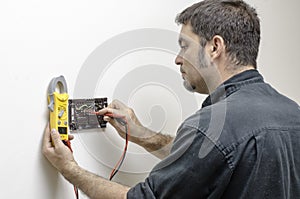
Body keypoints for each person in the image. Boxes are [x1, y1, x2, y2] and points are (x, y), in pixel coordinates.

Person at [42, 0, 300, 198]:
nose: (177, 58)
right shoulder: (293, 114)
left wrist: (69, 168)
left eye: (184, 46)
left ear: (214, 47)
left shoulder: (213, 126)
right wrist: (141, 133)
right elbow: (211, 158)